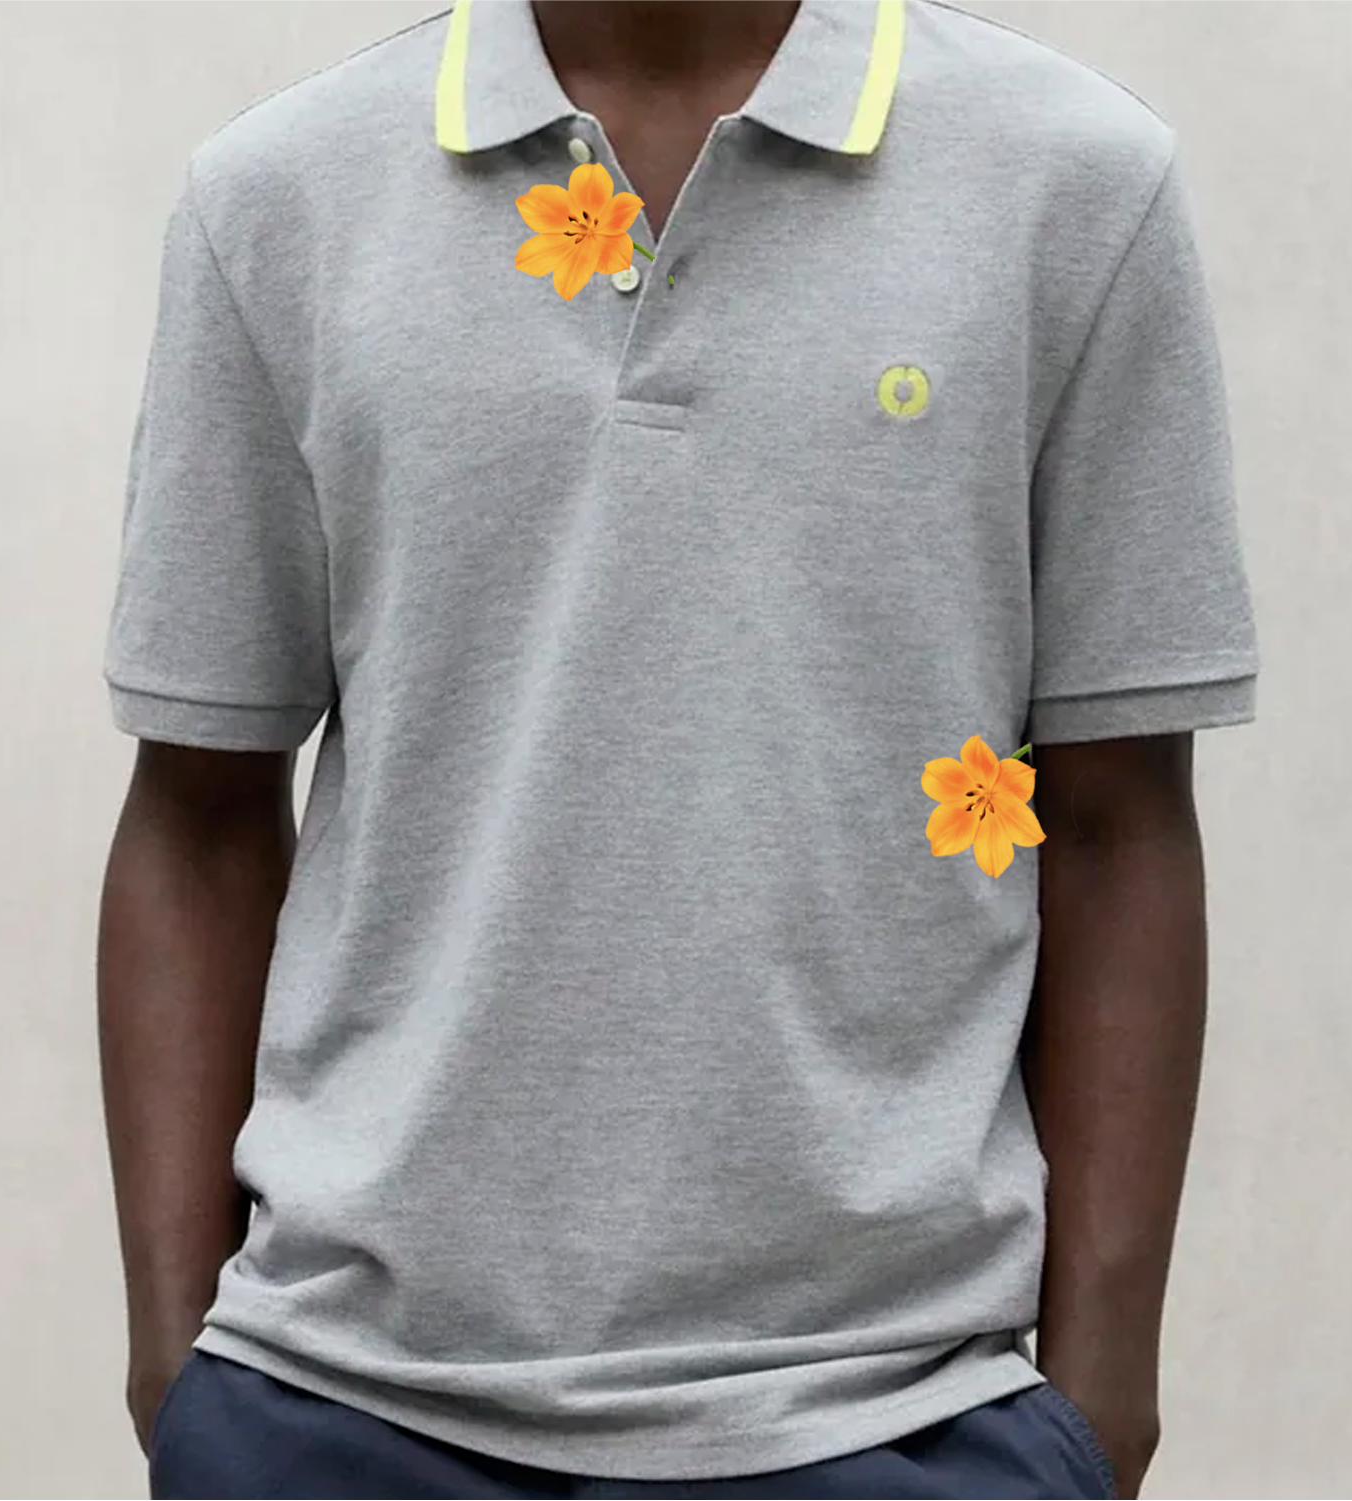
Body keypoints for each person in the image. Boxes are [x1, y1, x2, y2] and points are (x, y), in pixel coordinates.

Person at [97, 0, 1260, 1495]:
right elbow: (197, 818)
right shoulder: (281, 198)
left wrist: (1097, 1413)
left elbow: (1115, 818)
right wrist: (180, 1376)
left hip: (901, 1414)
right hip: (335, 1411)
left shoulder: (1073, 184)